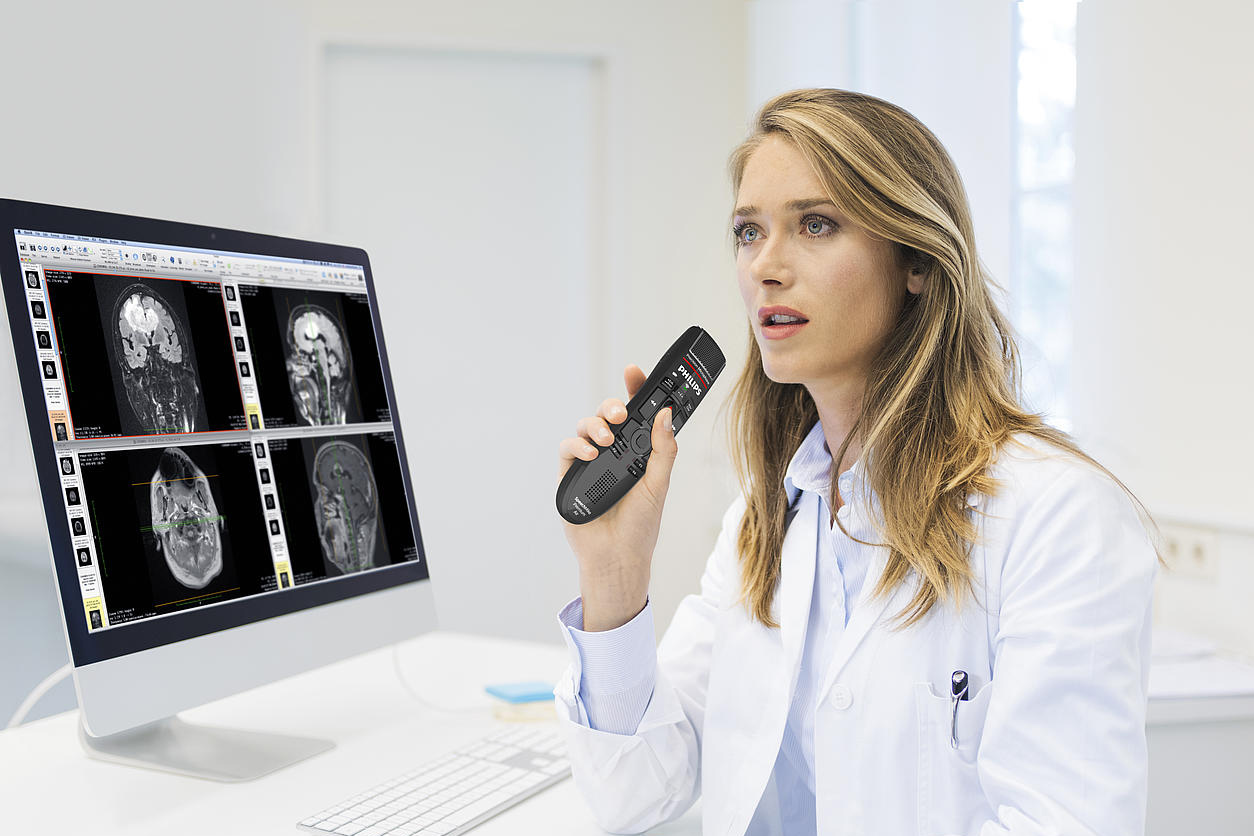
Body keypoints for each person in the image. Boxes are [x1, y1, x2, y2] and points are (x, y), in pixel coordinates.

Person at [553, 89, 1159, 836]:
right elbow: (634, 796)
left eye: (816, 224)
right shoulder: (766, 518)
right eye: (748, 231)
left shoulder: (1057, 515)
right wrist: (614, 575)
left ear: (917, 263)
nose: (766, 268)